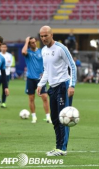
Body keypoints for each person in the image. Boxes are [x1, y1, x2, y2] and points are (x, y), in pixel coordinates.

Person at [37, 26, 77, 156]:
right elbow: (47, 70)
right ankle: (57, 146)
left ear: (51, 35)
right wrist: (41, 84)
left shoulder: (61, 49)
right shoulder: (43, 51)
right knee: (54, 118)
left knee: (63, 118)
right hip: (52, 88)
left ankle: (62, 149)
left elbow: (72, 66)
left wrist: (72, 85)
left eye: (46, 36)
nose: (43, 38)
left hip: (63, 86)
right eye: (41, 36)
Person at [22, 36, 51, 123]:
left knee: (45, 97)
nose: (34, 44)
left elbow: (47, 62)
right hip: (30, 78)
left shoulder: (41, 51)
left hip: (40, 79)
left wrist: (45, 72)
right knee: (31, 98)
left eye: (35, 42)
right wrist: (26, 41)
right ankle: (34, 116)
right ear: (29, 44)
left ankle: (48, 117)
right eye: (32, 42)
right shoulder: (27, 52)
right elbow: (23, 51)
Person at [0, 43, 13, 108]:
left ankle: (3, 102)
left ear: (6, 48)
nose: (3, 48)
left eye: (5, 47)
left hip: (6, 74)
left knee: (5, 89)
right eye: (2, 47)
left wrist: (1, 65)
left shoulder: (9, 55)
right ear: (0, 48)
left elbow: (8, 64)